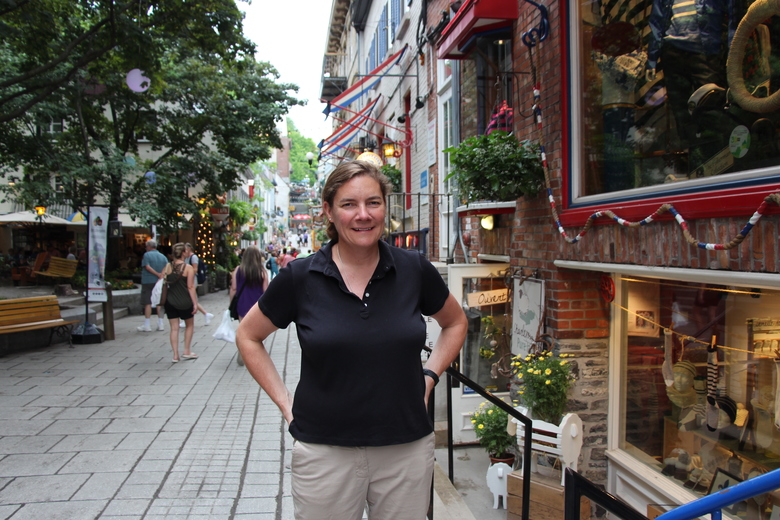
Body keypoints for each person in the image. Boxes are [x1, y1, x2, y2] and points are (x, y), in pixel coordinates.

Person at [236, 160, 468, 519]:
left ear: (384, 208)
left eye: (373, 202)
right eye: (349, 204)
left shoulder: (414, 269)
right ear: (328, 211)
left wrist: (429, 377)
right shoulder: (301, 276)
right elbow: (248, 336)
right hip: (324, 450)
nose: (363, 215)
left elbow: (455, 323)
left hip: (405, 447)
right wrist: (286, 404)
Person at [229, 245, 269, 366]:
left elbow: (234, 288)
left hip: (242, 304)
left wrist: (231, 304)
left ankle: (243, 353)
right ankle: (254, 355)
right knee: (256, 332)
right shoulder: (262, 271)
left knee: (243, 330)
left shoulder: (238, 269)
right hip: (257, 307)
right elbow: (266, 291)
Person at [161, 243, 199, 362]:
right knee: (189, 325)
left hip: (170, 301)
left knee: (174, 328)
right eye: (186, 251)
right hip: (185, 301)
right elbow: (191, 287)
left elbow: (163, 281)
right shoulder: (188, 268)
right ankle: (186, 350)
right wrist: (195, 303)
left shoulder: (167, 267)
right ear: (183, 253)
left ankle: (175, 355)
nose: (188, 252)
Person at [137, 239, 168, 332]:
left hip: (148, 280)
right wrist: (161, 275)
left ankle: (147, 324)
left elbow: (147, 266)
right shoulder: (162, 256)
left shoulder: (147, 255)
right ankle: (161, 323)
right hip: (159, 282)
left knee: (148, 303)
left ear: (149, 247)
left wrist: (156, 274)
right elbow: (166, 267)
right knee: (159, 302)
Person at [182, 243, 214, 327]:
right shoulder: (185, 257)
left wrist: (187, 273)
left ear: (189, 249)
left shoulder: (193, 257)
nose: (184, 251)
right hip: (188, 279)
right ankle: (206, 314)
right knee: (192, 299)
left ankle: (187, 318)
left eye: (185, 249)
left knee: (191, 299)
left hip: (192, 280)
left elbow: (195, 269)